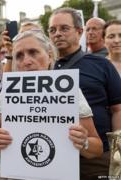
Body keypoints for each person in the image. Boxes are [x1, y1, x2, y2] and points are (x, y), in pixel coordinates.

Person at [0, 30, 103, 180]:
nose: (26, 61)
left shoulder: (69, 89)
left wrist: (83, 142)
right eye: (19, 56)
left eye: (33, 52)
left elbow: (97, 148)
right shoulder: (9, 91)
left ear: (50, 56)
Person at [48, 7, 121, 179]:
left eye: (64, 28)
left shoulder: (102, 65)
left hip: (94, 158)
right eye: (52, 30)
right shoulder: (43, 69)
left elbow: (117, 109)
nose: (57, 34)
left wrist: (117, 150)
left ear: (79, 31)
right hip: (52, 157)